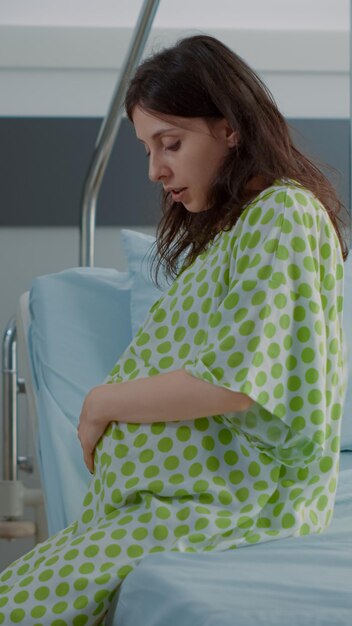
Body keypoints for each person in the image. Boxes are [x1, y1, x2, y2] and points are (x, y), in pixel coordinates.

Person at [0, 34, 348, 626]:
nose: (156, 169)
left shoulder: (283, 214)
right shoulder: (232, 235)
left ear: (230, 128)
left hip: (233, 503)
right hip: (173, 503)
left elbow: (237, 383)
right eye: (145, 149)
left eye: (170, 144)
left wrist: (101, 403)